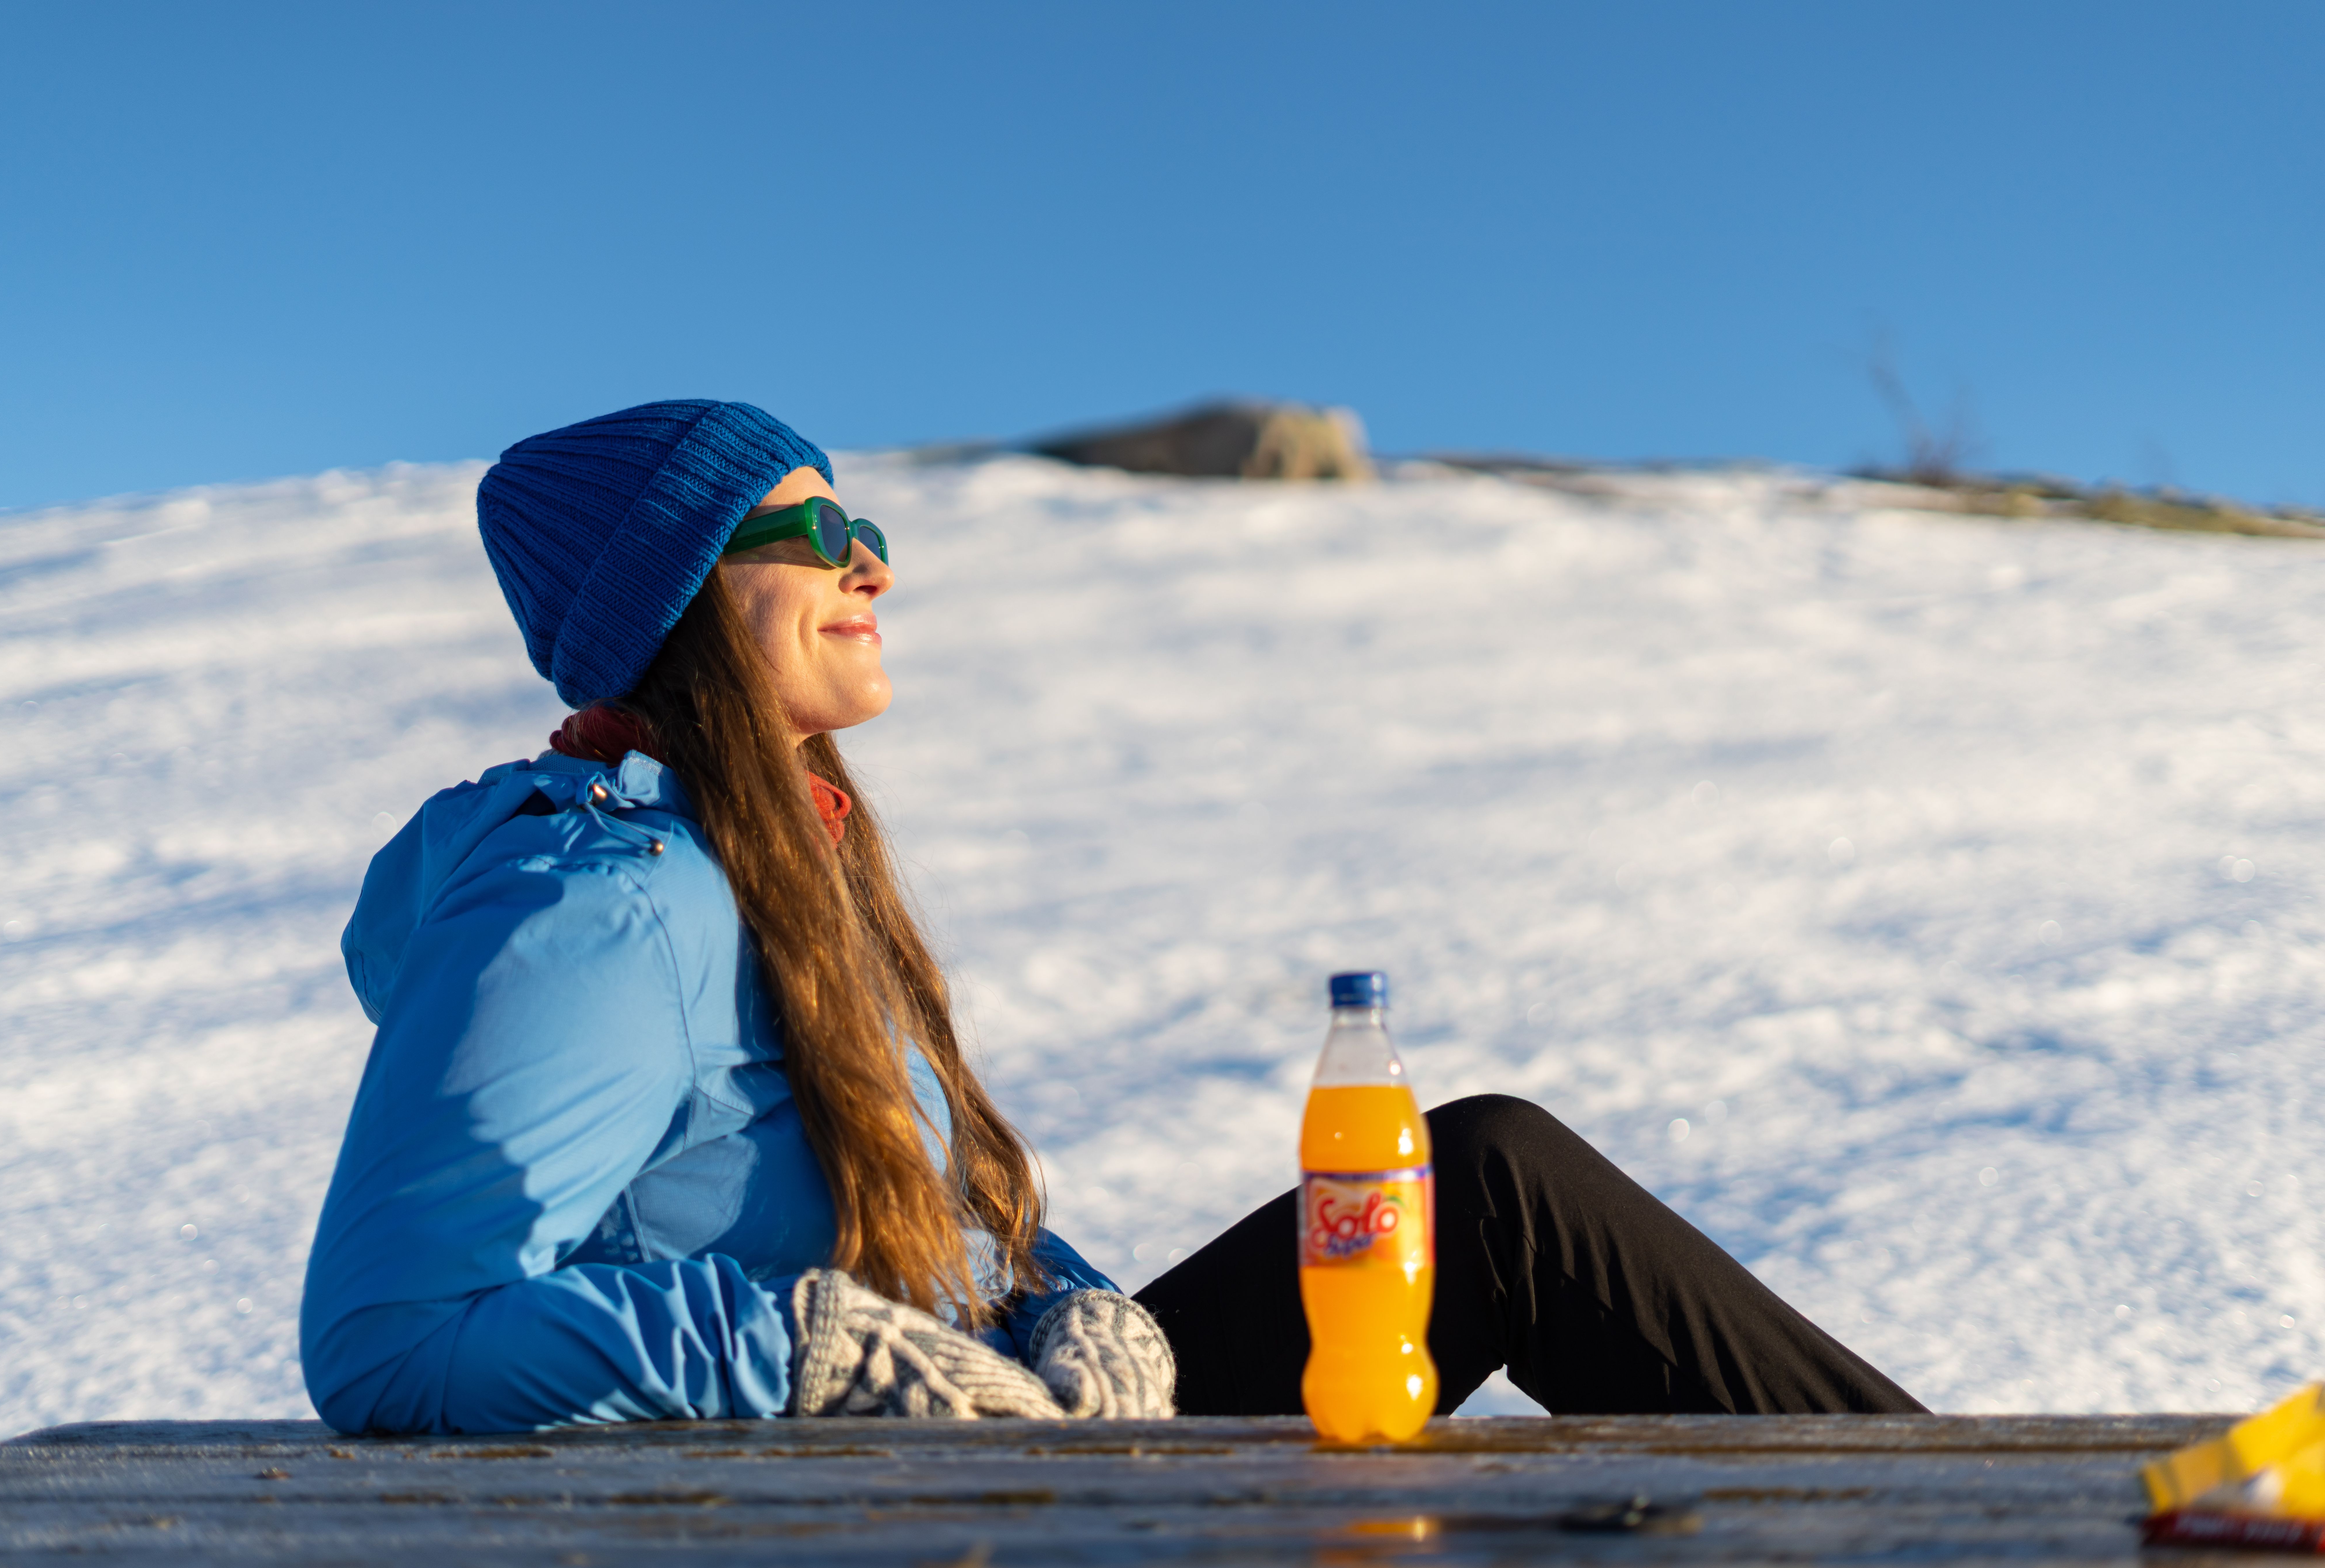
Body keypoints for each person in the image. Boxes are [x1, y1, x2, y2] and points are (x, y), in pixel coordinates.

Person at [299, 400, 1923, 1434]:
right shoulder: (595, 909)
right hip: (843, 1521)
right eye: (812, 535)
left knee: (1477, 1183)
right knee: (1497, 1187)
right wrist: (799, 1351)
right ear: (677, 602)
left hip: (990, 1449)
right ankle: (2009, 1547)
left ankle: (1980, 1526)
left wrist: (1066, 1298)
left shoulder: (783, 869)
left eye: (868, 531)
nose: (870, 564)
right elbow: (392, 1338)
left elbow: (907, 1232)